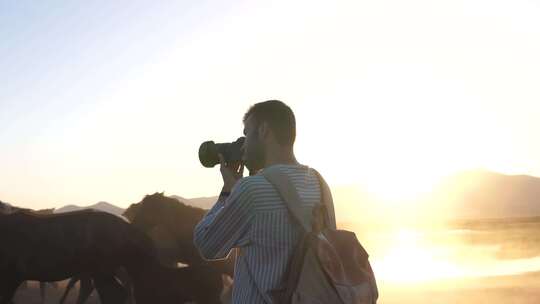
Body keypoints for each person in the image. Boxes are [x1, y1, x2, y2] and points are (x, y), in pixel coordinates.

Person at [194, 100, 335, 303]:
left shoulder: (251, 190)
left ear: (264, 131)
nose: (244, 146)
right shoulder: (320, 185)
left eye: (246, 134)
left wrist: (228, 192)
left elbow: (207, 245)